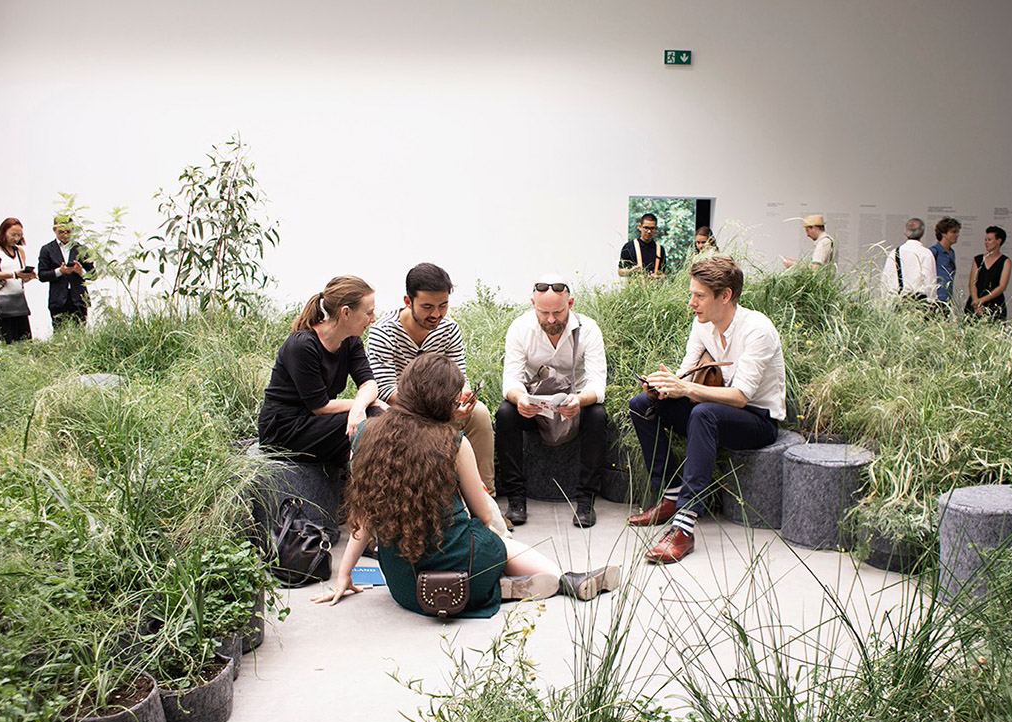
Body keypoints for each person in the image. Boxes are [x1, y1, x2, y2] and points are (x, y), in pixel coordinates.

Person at [311, 353, 620, 616]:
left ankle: (498, 586)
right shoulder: (453, 442)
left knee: (454, 548)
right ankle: (559, 578)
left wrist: (344, 575)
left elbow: (364, 519)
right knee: (496, 541)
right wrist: (497, 540)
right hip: (467, 564)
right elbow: (483, 514)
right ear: (442, 401)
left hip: (407, 588)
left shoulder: (365, 434)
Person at [628, 255, 786, 564]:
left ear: (724, 296)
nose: (691, 303)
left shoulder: (757, 330)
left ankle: (684, 526)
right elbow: (686, 374)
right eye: (692, 294)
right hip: (712, 411)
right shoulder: (703, 325)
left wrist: (685, 389)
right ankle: (671, 496)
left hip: (757, 420)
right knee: (641, 404)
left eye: (699, 296)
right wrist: (662, 386)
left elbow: (741, 396)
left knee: (704, 413)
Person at [366, 263, 496, 494]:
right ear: (408, 301)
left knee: (479, 414)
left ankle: (486, 496)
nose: (436, 314)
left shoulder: (448, 329)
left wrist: (463, 396)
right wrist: (439, 411)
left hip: (443, 405)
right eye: (427, 307)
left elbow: (459, 377)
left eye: (443, 305)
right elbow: (387, 391)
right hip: (401, 411)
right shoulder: (383, 332)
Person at [497, 275, 608, 528]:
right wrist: (522, 399)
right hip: (534, 405)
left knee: (598, 415)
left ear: (570, 303)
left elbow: (597, 386)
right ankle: (516, 498)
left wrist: (578, 402)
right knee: (505, 413)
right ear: (532, 304)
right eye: (543, 312)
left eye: (557, 312)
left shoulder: (588, 329)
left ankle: (585, 499)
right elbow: (510, 382)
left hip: (576, 403)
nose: (550, 319)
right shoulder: (520, 328)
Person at [257, 276, 380, 467]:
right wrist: (360, 406)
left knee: (376, 415)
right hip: (285, 430)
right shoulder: (302, 345)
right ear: (345, 312)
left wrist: (361, 404)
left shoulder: (351, 341)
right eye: (369, 313)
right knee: (374, 418)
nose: (373, 319)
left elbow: (369, 383)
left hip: (316, 422)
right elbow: (319, 405)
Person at [0, 217, 35, 345]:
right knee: (1, 342)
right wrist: (13, 274)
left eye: (19, 235)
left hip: (18, 302)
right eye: (12, 234)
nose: (16, 238)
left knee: (23, 342)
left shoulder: (19, 251)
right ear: (3, 232)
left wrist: (26, 276)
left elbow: (18, 276)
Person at [37, 215, 95, 329]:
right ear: (54, 230)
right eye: (61, 232)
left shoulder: (80, 248)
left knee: (80, 334)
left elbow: (93, 274)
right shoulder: (47, 249)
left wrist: (81, 272)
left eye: (68, 231)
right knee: (59, 333)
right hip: (58, 299)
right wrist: (60, 271)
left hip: (78, 298)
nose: (65, 235)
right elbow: (42, 275)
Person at [882, 218, 937, 303]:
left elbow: (885, 281)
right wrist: (931, 303)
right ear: (922, 232)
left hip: (896, 303)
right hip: (918, 305)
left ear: (905, 232)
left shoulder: (894, 253)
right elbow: (930, 283)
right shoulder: (926, 254)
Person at [965, 226, 1012, 321]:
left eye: (989, 240)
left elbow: (1002, 286)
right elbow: (972, 282)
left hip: (994, 304)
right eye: (985, 240)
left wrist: (982, 300)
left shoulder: (1005, 261)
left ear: (998, 241)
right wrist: (976, 301)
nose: (986, 242)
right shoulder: (978, 259)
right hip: (975, 303)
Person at [930, 217, 961, 310]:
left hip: (947, 299)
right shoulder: (933, 252)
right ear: (943, 233)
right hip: (935, 299)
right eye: (953, 232)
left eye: (957, 232)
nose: (957, 235)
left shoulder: (951, 253)